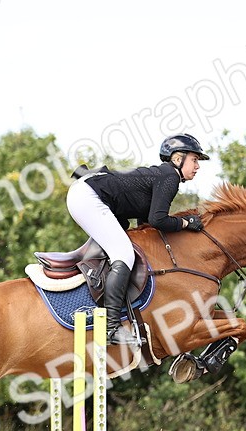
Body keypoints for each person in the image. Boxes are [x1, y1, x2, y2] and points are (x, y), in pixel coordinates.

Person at [66, 133, 209, 346]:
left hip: (88, 193)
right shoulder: (169, 177)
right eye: (195, 160)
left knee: (124, 243)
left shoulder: (163, 175)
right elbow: (158, 219)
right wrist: (187, 223)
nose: (198, 166)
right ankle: (111, 327)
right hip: (88, 196)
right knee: (123, 254)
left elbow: (148, 224)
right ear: (178, 159)